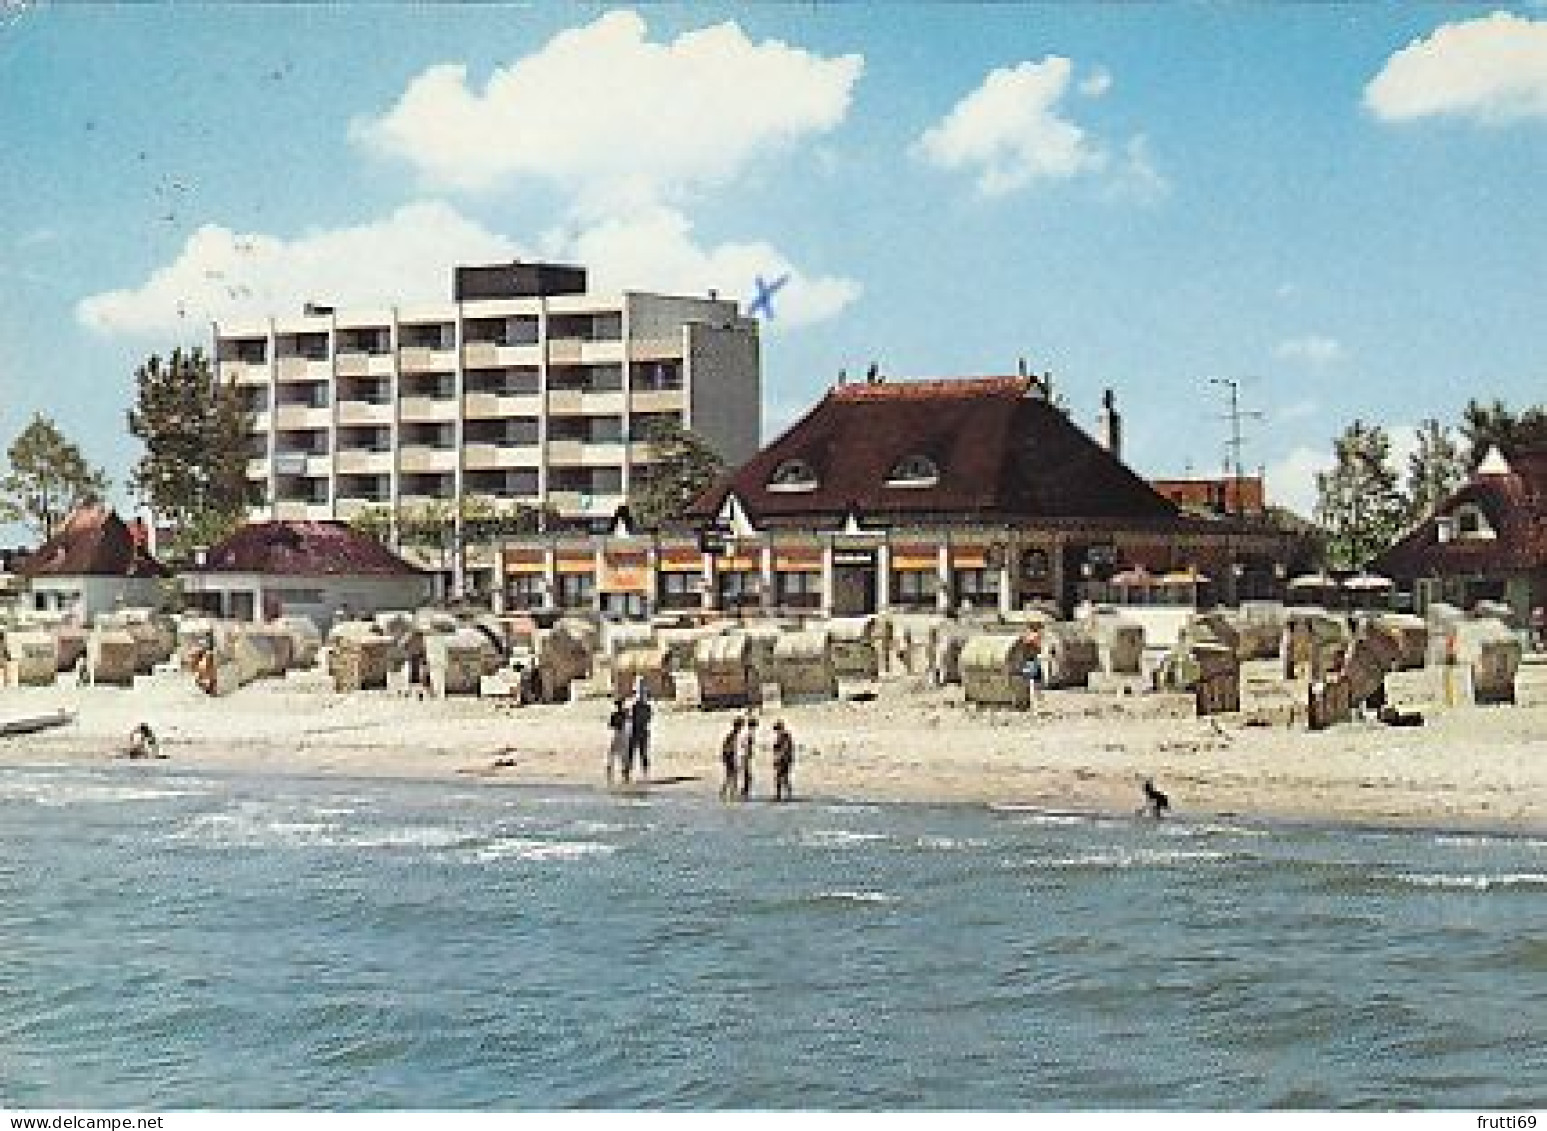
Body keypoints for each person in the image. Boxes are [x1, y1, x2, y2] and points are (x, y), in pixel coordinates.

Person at [625, 689, 653, 782]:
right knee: (643, 753)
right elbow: (648, 719)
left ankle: (627, 772)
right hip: (643, 731)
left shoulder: (634, 706)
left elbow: (630, 718)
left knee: (631, 752)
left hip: (635, 731)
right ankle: (645, 773)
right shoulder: (647, 707)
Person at [606, 696, 631, 786]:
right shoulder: (625, 713)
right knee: (623, 754)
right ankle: (625, 773)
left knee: (612, 753)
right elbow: (628, 721)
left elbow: (610, 725)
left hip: (617, 733)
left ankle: (610, 771)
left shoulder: (615, 714)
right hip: (623, 734)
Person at [719, 716, 744, 801]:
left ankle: (726, 793)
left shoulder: (732, 735)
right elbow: (728, 747)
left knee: (730, 776)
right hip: (732, 758)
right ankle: (731, 794)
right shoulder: (733, 736)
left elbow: (725, 747)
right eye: (741, 725)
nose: (741, 728)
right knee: (733, 776)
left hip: (731, 757)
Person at [771, 719, 795, 802]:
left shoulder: (785, 736)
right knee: (780, 778)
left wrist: (778, 757)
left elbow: (785, 748)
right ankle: (781, 795)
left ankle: (786, 795)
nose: (776, 732)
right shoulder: (782, 736)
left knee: (783, 778)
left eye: (777, 729)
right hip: (783, 759)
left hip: (785, 760)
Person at [1021, 628, 1045, 707]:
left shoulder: (1030, 639)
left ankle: (1035, 701)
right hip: (1031, 662)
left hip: (1031, 662)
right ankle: (1035, 701)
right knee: (1033, 684)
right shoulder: (1034, 639)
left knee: (1032, 684)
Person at [739, 715, 759, 800]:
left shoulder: (747, 733)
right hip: (745, 756)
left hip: (745, 755)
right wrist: (748, 752)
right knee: (747, 775)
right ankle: (744, 792)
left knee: (747, 775)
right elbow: (745, 744)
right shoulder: (749, 733)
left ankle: (745, 792)